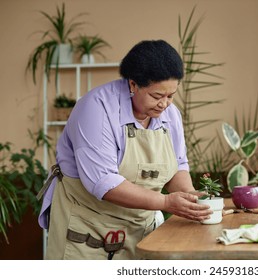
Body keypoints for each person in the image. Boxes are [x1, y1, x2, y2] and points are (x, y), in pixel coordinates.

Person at [37, 40, 212, 260]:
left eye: (171, 95)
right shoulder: (96, 109)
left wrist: (190, 197)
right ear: (133, 85)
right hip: (87, 234)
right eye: (157, 96)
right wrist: (167, 203)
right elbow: (103, 182)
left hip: (141, 233)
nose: (165, 104)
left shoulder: (170, 114)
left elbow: (178, 166)